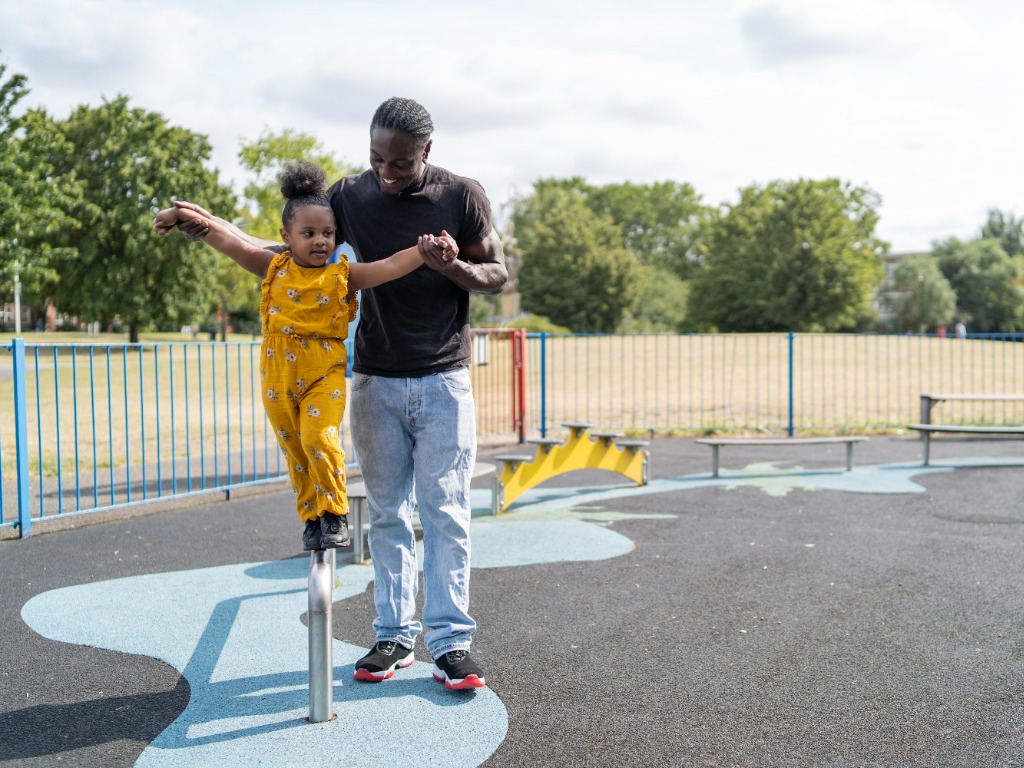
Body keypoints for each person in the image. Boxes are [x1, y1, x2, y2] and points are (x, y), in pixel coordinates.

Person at [153, 97, 508, 691]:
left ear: (427, 152)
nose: (386, 172)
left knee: (445, 513)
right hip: (375, 379)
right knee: (389, 514)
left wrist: (451, 266)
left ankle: (451, 643)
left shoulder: (461, 196)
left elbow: (497, 273)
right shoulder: (351, 195)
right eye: (376, 158)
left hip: (444, 376)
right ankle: (393, 636)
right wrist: (208, 225)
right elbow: (293, 250)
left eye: (400, 163)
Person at [155, 160, 457, 555]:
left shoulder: (342, 276)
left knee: (319, 437)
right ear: (286, 236)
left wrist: (425, 250)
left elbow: (388, 267)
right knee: (295, 451)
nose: (320, 241)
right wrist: (180, 215)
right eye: (309, 233)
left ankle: (334, 512)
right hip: (277, 376)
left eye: (328, 233)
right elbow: (229, 240)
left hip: (322, 374)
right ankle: (313, 518)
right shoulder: (272, 267)